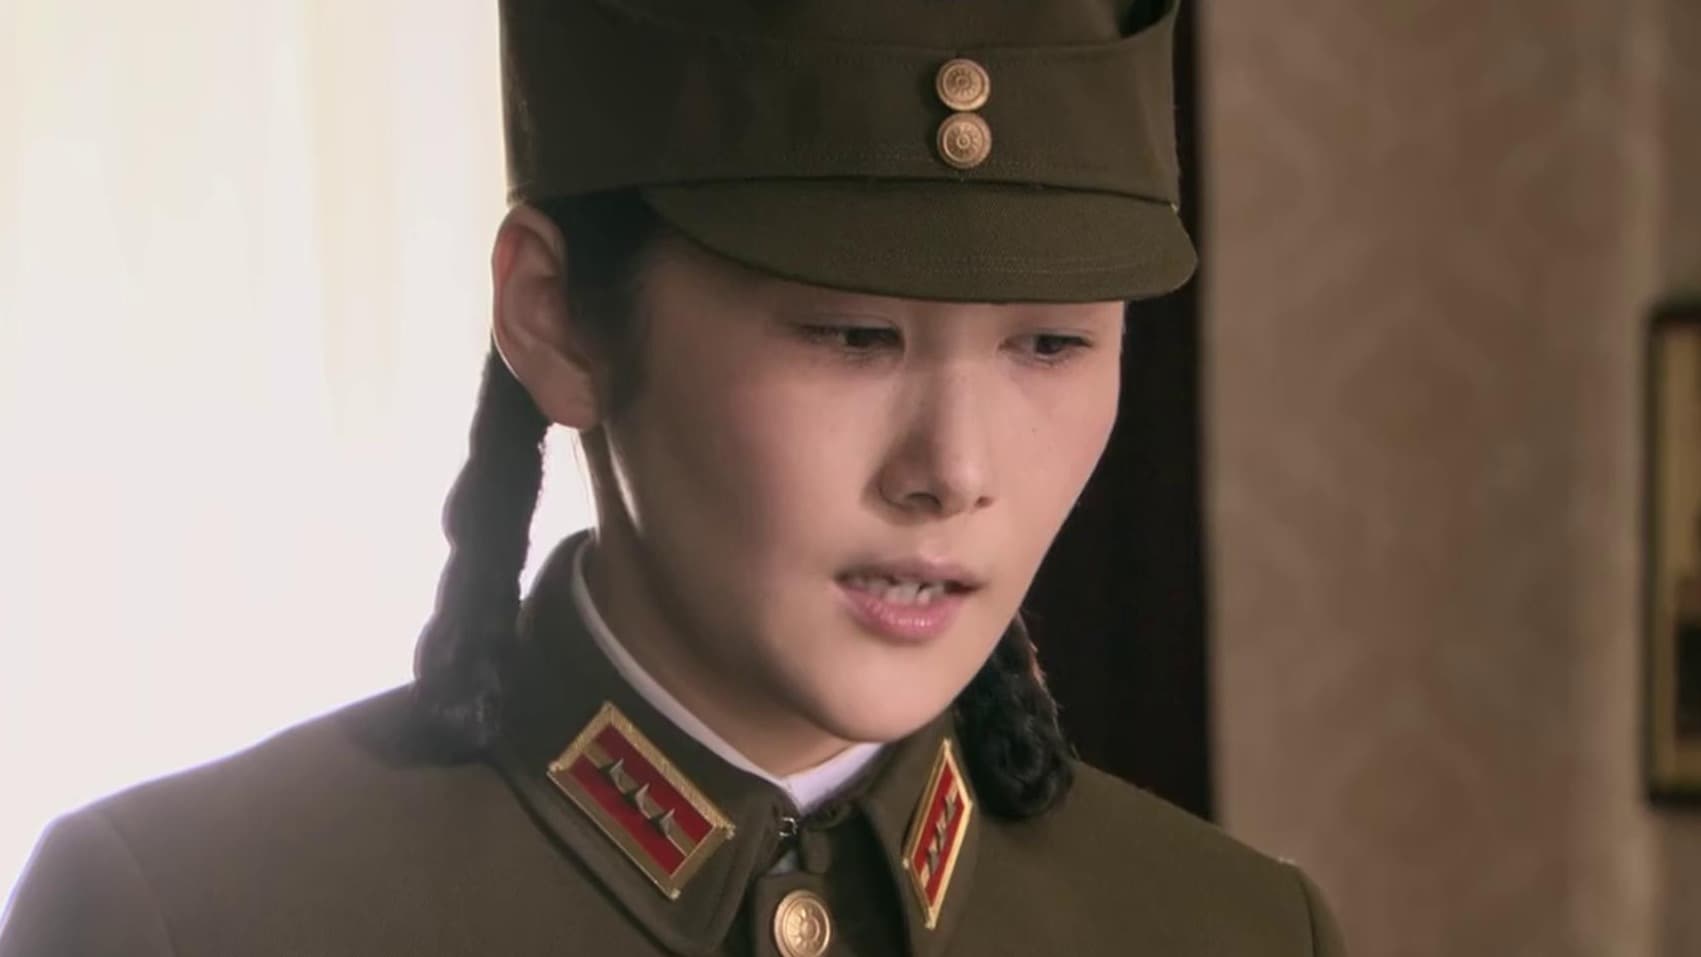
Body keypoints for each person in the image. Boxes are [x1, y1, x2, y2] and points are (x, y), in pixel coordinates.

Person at [0, 0, 1346, 954]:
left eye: (1050, 345)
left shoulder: (1232, 933)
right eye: (851, 336)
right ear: (555, 318)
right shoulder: (193, 918)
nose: (955, 470)